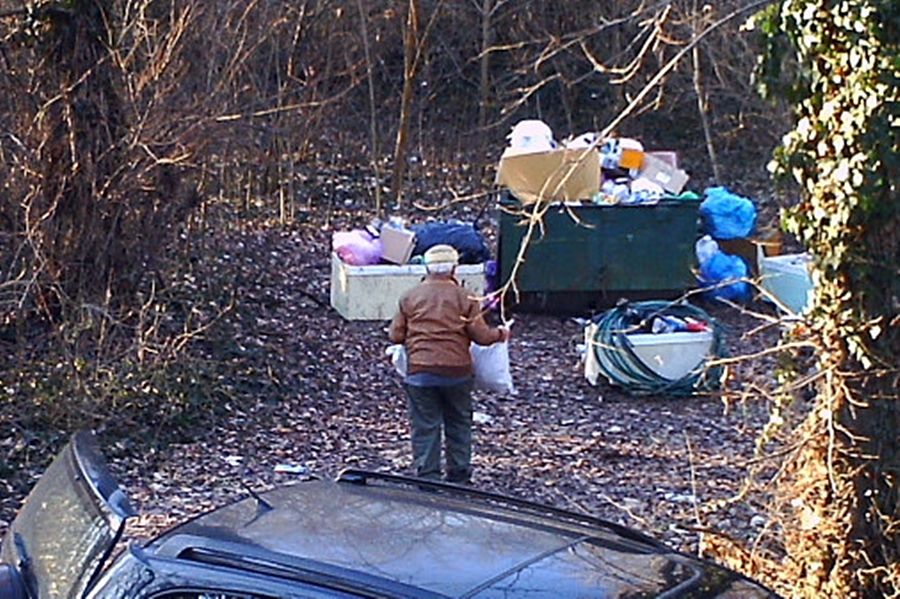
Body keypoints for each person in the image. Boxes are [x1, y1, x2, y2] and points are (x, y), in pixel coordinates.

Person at [388, 244, 510, 484]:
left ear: (426, 267)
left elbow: (395, 336)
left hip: (420, 374)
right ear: (454, 268)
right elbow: (481, 337)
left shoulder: (409, 297)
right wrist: (501, 334)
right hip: (457, 373)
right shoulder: (466, 297)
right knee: (459, 422)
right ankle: (459, 476)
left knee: (425, 426)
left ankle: (428, 477)